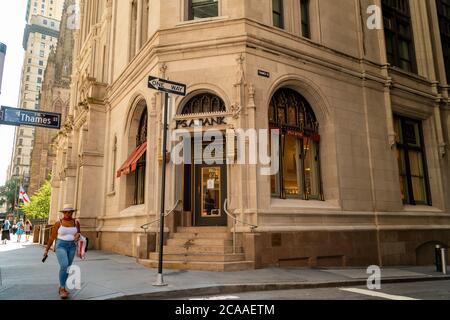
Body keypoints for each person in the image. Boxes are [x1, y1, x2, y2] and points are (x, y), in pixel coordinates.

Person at [44, 204, 81, 299]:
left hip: (72, 246)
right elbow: (52, 237)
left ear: (72, 212)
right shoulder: (58, 223)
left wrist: (78, 235)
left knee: (68, 267)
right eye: (66, 212)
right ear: (63, 213)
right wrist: (46, 250)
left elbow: (78, 233)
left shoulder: (76, 222)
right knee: (64, 265)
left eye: (70, 212)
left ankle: (62, 287)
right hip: (61, 246)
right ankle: (62, 288)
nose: (68, 214)